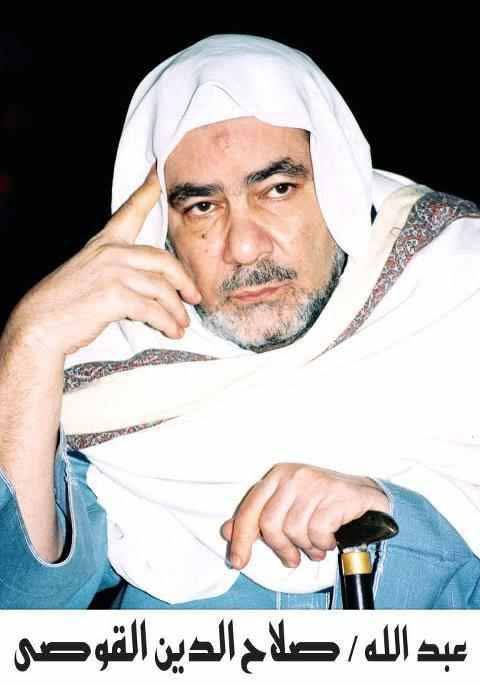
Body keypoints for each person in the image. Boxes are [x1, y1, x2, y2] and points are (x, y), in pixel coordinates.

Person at [0, 34, 479, 609]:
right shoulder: (106, 376)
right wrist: (27, 347)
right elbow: (20, 608)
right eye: (202, 206)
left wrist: (400, 521)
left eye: (278, 189)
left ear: (342, 186)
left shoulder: (459, 294)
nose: (245, 247)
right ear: (161, 229)